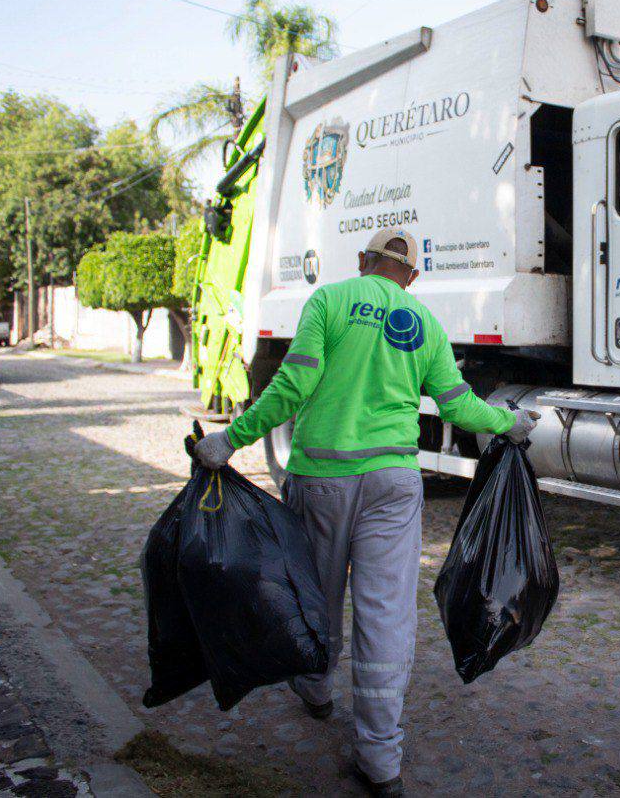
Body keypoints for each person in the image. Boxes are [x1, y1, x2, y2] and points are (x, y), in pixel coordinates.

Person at [193, 228, 537, 797]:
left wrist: (232, 438)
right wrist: (510, 423)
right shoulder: (424, 321)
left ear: (362, 262)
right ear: (411, 276)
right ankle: (380, 760)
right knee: (385, 617)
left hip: (322, 482)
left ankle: (315, 687)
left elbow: (292, 384)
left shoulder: (328, 300)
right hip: (393, 487)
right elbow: (457, 404)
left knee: (317, 595)